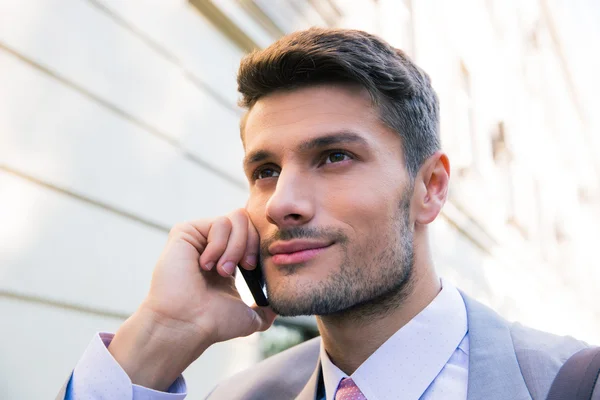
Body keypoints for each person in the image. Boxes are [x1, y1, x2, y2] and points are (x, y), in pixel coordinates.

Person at [57, 27, 591, 400]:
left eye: (334, 157)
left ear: (430, 188)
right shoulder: (237, 396)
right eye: (265, 170)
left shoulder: (574, 384)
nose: (283, 203)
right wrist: (162, 333)